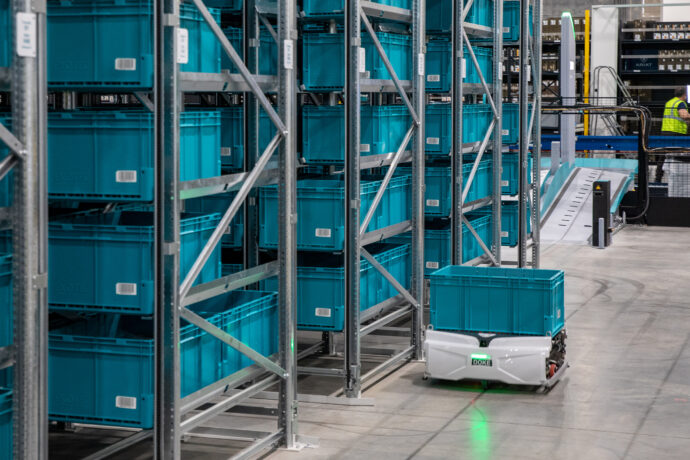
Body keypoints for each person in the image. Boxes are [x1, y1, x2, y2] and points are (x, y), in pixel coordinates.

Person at [657, 87, 690, 181]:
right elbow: (683, 115)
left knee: (663, 156)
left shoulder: (669, 102)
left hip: (665, 131)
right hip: (676, 133)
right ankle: (678, 178)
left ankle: (657, 179)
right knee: (679, 156)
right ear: (684, 95)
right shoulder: (681, 103)